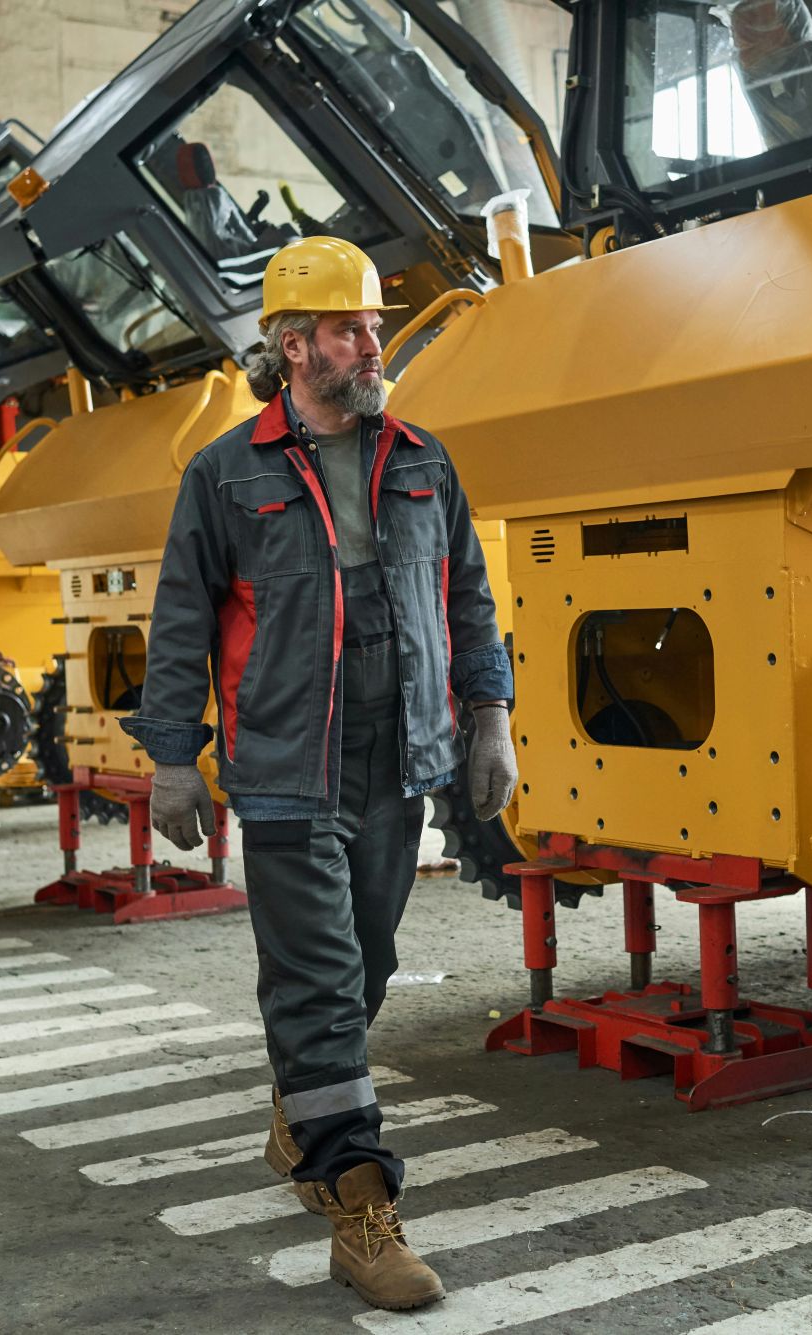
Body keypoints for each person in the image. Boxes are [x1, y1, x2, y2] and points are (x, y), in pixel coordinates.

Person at [121, 235, 518, 1312]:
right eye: (350, 327)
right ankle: (359, 1207)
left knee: (370, 961)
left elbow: (470, 597)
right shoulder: (225, 473)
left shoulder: (423, 458)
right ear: (294, 347)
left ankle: (302, 1110)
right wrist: (172, 757)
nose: (372, 342)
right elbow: (181, 623)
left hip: (398, 757)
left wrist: (489, 718)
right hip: (288, 761)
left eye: (375, 325)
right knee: (319, 982)